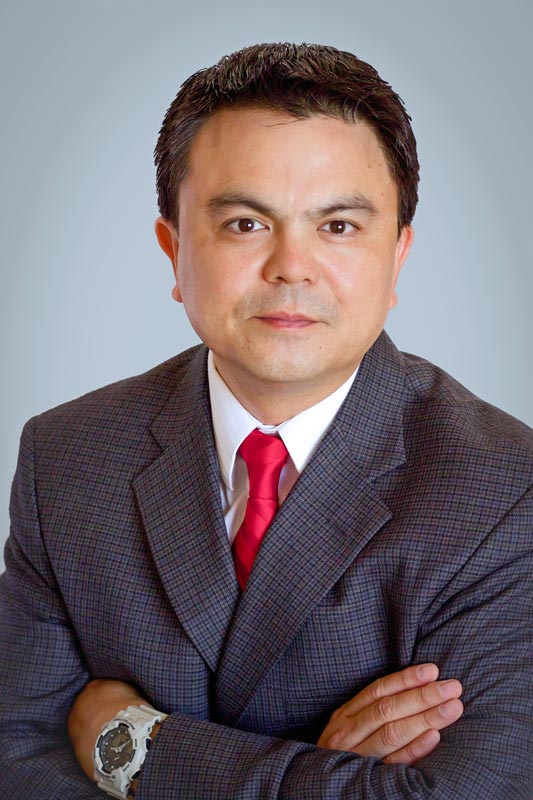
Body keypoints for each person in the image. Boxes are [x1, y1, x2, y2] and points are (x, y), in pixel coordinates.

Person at [0, 42, 531, 800]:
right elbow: (18, 762)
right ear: (174, 249)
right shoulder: (66, 458)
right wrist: (328, 774)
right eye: (246, 223)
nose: (291, 265)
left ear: (397, 257)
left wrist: (136, 747)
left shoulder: (505, 490)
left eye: (338, 226)